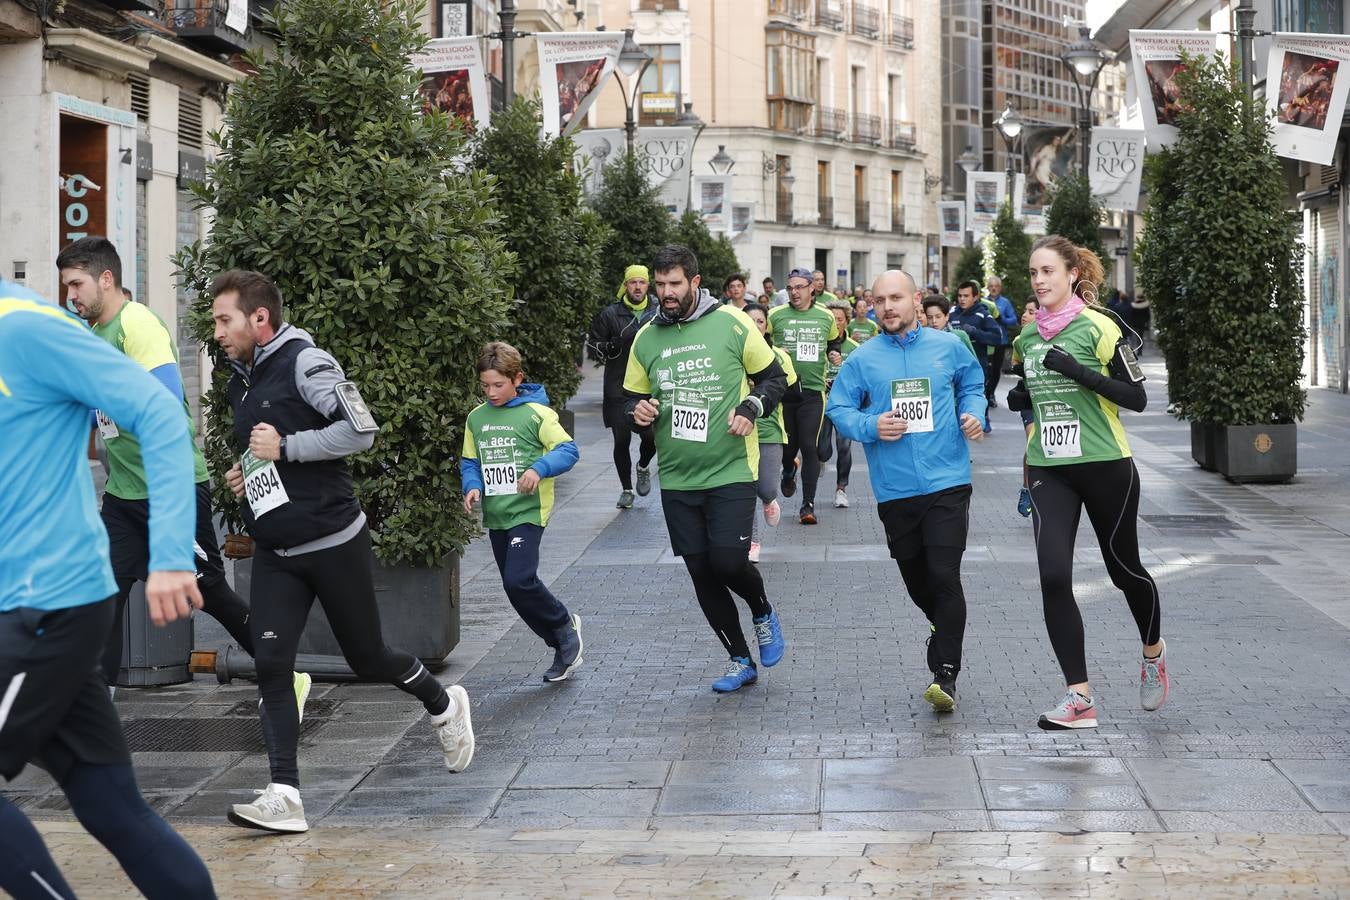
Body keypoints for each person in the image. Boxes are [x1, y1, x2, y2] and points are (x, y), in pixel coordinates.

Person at [209, 270, 473, 832]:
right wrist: (247, 467)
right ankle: (285, 793)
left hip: (332, 541)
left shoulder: (307, 362)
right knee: (271, 662)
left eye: (224, 320)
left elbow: (361, 432)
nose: (217, 332)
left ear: (260, 320)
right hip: (278, 548)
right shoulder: (240, 377)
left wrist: (287, 447)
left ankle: (443, 704)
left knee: (368, 657)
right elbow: (265, 447)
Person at [0, 280, 217, 899]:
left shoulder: (27, 328)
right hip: (33, 608)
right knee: (111, 807)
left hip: (43, 606)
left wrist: (172, 551)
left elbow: (157, 410)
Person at [55, 237, 310, 708]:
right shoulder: (94, 337)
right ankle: (92, 704)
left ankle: (285, 673)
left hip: (169, 488)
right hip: (125, 493)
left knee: (208, 589)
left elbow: (168, 408)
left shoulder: (138, 325)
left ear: (105, 279)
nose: (71, 295)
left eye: (77, 284)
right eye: (66, 285)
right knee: (102, 589)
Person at [1007, 235, 1165, 730]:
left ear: (1072, 274)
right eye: (1033, 273)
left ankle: (1153, 651)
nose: (1039, 281)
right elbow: (1026, 393)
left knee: (1123, 570)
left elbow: (1137, 399)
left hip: (1105, 465)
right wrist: (1023, 403)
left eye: (1048, 272)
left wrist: (1079, 373)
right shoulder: (1026, 339)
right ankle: (1079, 697)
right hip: (1050, 469)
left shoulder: (1100, 328)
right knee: (1053, 575)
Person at [624, 245, 788, 692]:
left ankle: (762, 611)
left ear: (695, 282)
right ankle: (740, 660)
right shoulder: (647, 336)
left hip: (731, 466)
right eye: (659, 286)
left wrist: (752, 406)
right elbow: (630, 398)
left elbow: (775, 377)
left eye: (674, 284)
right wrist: (636, 412)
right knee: (700, 571)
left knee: (729, 562)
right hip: (676, 476)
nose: (665, 294)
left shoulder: (731, 322)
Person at [826, 270, 987, 713]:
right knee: (918, 584)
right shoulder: (863, 358)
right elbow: (837, 406)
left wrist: (974, 414)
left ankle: (945, 675)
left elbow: (973, 386)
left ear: (916, 300)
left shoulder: (949, 346)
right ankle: (943, 629)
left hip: (947, 481)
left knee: (944, 575)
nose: (888, 307)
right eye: (879, 300)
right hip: (895, 490)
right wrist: (870, 426)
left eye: (896, 298)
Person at [462, 342, 583, 682]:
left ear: (517, 378)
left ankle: (562, 626)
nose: (491, 392)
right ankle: (560, 639)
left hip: (529, 511)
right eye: (485, 385)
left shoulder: (537, 414)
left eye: (498, 385)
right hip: (497, 513)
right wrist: (471, 485)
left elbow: (568, 450)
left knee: (519, 580)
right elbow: (471, 460)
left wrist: (539, 469)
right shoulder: (476, 417)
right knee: (514, 587)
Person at [768, 267, 843, 524]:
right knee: (788, 448)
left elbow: (834, 341)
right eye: (790, 288)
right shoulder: (775, 315)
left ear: (812, 288)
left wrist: (834, 353)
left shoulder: (826, 316)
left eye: (799, 287)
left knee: (809, 446)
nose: (794, 292)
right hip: (784, 393)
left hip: (813, 392)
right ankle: (788, 469)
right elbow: (761, 344)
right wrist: (774, 350)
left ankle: (807, 505)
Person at [588, 264, 657, 509]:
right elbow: (593, 346)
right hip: (618, 386)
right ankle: (627, 489)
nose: (637, 287)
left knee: (650, 438)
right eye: (632, 282)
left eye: (642, 282)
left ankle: (643, 466)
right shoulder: (610, 314)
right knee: (621, 441)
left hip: (648, 387)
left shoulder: (658, 311)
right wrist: (609, 347)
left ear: (648, 285)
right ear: (625, 285)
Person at [742, 303, 799, 563]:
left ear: (767, 326)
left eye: (760, 322)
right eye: (749, 321)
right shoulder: (731, 356)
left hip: (769, 432)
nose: (755, 326)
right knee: (745, 488)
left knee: (765, 488)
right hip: (738, 432)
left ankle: (770, 499)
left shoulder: (779, 356)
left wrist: (766, 389)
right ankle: (752, 541)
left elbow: (796, 392)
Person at [818, 301, 859, 509]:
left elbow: (861, 379)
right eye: (832, 320)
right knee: (822, 451)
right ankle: (822, 460)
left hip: (845, 405)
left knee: (844, 447)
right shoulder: (819, 345)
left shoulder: (854, 348)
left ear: (846, 322)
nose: (835, 324)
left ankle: (841, 489)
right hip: (822, 403)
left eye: (839, 320)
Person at [946, 281, 1002, 433]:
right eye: (959, 296)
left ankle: (981, 417)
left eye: (966, 296)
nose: (962, 299)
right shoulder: (951, 313)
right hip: (953, 364)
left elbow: (997, 337)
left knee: (976, 392)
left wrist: (975, 332)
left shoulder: (982, 314)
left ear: (975, 297)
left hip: (977, 363)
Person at [1010, 298, 1040, 518]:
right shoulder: (1020, 340)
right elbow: (1016, 365)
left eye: (1031, 311)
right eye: (1025, 310)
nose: (1025, 315)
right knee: (1032, 443)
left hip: (1053, 401)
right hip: (1030, 400)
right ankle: (1027, 488)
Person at [984, 276, 1020, 407]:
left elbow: (1013, 320)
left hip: (1000, 340)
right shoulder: (983, 302)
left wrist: (1001, 318)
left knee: (995, 370)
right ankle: (985, 394)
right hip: (986, 341)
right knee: (985, 369)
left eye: (996, 286)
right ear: (988, 287)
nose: (993, 288)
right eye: (991, 286)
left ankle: (991, 394)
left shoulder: (1005, 302)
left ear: (1000, 288)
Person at [922, 295, 977, 359]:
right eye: (929, 317)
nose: (934, 321)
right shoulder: (922, 338)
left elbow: (973, 365)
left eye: (938, 317)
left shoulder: (960, 336)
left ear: (947, 316)